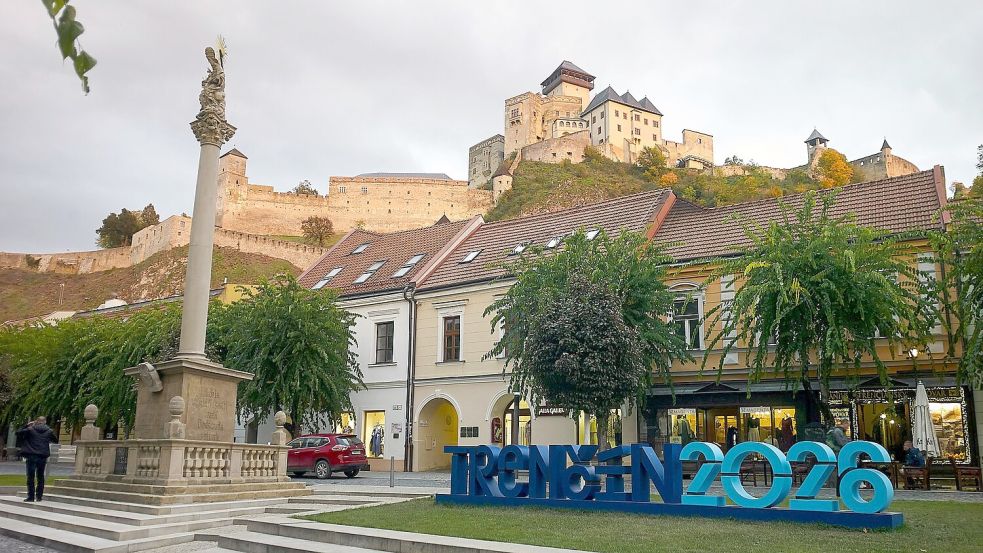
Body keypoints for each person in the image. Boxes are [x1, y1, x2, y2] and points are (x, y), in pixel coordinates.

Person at [15, 416, 58, 502]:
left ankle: (31, 496)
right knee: (40, 476)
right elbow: (55, 440)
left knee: (30, 477)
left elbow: (18, 433)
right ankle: (39, 496)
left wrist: (27, 425)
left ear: (36, 421)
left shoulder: (30, 429)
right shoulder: (49, 431)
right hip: (42, 456)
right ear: (45, 422)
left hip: (31, 455)